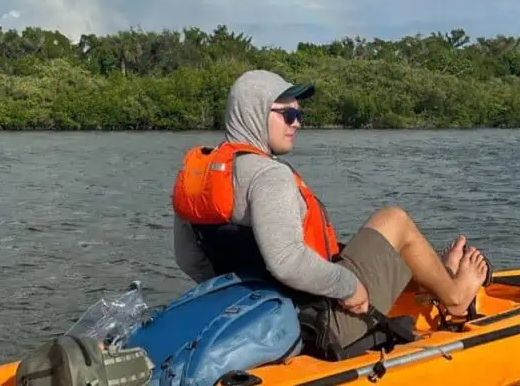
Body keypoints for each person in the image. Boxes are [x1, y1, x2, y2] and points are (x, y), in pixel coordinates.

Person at [171, 69, 489, 355]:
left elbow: (189, 259)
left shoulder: (200, 177)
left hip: (264, 316)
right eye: (287, 114)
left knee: (351, 251)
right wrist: (348, 286)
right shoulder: (268, 176)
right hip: (319, 322)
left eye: (298, 113)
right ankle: (455, 295)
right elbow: (287, 262)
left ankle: (438, 276)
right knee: (394, 221)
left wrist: (245, 299)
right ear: (254, 114)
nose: (297, 122)